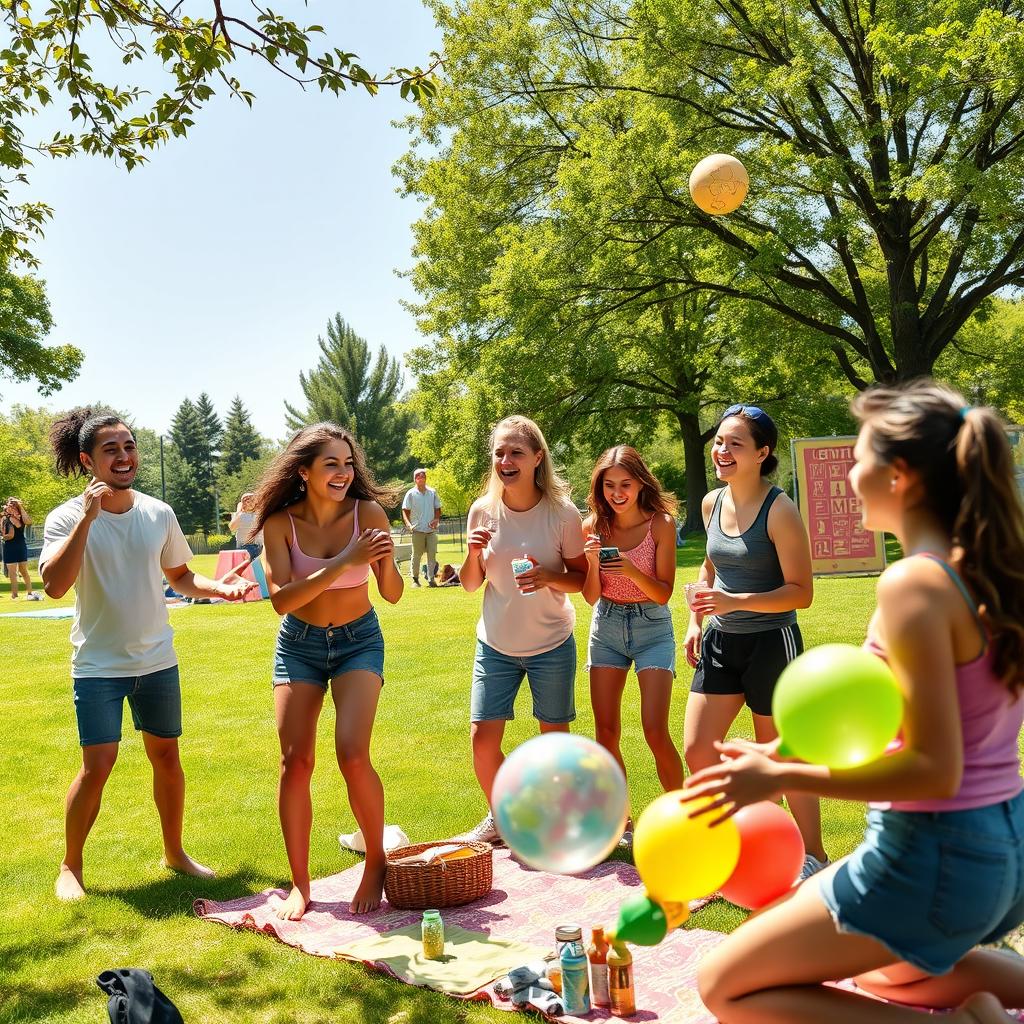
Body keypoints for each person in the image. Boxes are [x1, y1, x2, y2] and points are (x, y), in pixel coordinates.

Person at [684, 381, 1024, 1024]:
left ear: (900, 478)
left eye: (860, 458)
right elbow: (881, 711)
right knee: (885, 971)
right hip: (1003, 852)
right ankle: (992, 1003)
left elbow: (934, 767)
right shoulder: (989, 568)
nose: (848, 473)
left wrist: (779, 775)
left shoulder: (914, 583)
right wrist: (776, 748)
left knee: (724, 985)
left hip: (932, 853)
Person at [40, 408, 254, 901]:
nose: (123, 456)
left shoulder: (159, 513)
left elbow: (180, 576)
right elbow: (54, 586)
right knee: (98, 765)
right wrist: (89, 520)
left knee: (167, 757)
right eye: (110, 449)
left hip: (157, 660)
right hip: (98, 665)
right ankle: (71, 866)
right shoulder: (67, 517)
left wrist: (217, 588)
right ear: (87, 459)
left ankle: (175, 853)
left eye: (129, 446)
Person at [251, 423, 403, 919]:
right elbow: (281, 600)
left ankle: (376, 861)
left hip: (360, 641)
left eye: (347, 463)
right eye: (331, 464)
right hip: (299, 645)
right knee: (295, 763)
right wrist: (346, 559)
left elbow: (393, 592)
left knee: (352, 754)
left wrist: (385, 560)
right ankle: (300, 883)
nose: (343, 473)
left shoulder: (369, 513)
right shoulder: (280, 522)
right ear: (303, 472)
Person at [683, 403, 828, 879]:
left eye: (735, 444)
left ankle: (813, 855)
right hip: (722, 641)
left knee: (783, 755)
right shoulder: (710, 503)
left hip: (772, 643)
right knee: (699, 749)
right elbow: (711, 566)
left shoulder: (780, 509)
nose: (722, 451)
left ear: (762, 453)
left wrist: (735, 601)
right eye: (719, 442)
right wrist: (696, 620)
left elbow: (800, 593)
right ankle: (725, 848)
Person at [452, 415, 587, 844]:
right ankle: (503, 818)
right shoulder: (482, 511)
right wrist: (473, 554)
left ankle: (559, 822)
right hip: (496, 643)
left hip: (551, 642)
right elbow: (472, 584)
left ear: (537, 458)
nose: (505, 460)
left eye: (516, 452)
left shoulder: (562, 514)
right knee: (482, 741)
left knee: (553, 741)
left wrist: (548, 576)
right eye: (499, 453)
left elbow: (583, 581)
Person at [581, 446, 682, 823]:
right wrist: (593, 563)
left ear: (641, 483)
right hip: (606, 626)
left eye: (625, 484)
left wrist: (629, 570)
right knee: (605, 732)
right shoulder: (592, 526)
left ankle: (685, 816)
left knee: (655, 730)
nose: (617, 493)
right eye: (609, 485)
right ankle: (621, 821)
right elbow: (590, 595)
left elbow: (664, 591)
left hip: (652, 627)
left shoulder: (661, 524)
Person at [401, 468, 442, 586]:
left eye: (423, 476)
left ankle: (431, 579)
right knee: (417, 555)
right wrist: (408, 524)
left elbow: (438, 508)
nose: (421, 478)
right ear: (415, 479)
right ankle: (415, 579)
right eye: (418, 476)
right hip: (417, 529)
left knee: (432, 554)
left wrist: (436, 519)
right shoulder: (411, 494)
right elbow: (405, 510)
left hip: (431, 530)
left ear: (425, 478)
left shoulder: (432, 492)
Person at [3, 497, 40, 600]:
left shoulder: (21, 517)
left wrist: (20, 506)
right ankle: (14, 595)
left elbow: (29, 522)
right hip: (9, 547)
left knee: (23, 571)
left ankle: (29, 593)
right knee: (12, 573)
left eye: (13, 504)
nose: (11, 506)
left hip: (20, 546)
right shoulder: (5, 518)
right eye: (9, 504)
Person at [229, 493, 263, 561]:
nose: (249, 502)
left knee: (258, 570)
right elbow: (232, 527)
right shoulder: (240, 515)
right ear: (243, 503)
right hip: (245, 547)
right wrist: (238, 512)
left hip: (260, 547)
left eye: (252, 500)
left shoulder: (259, 514)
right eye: (246, 501)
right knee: (247, 569)